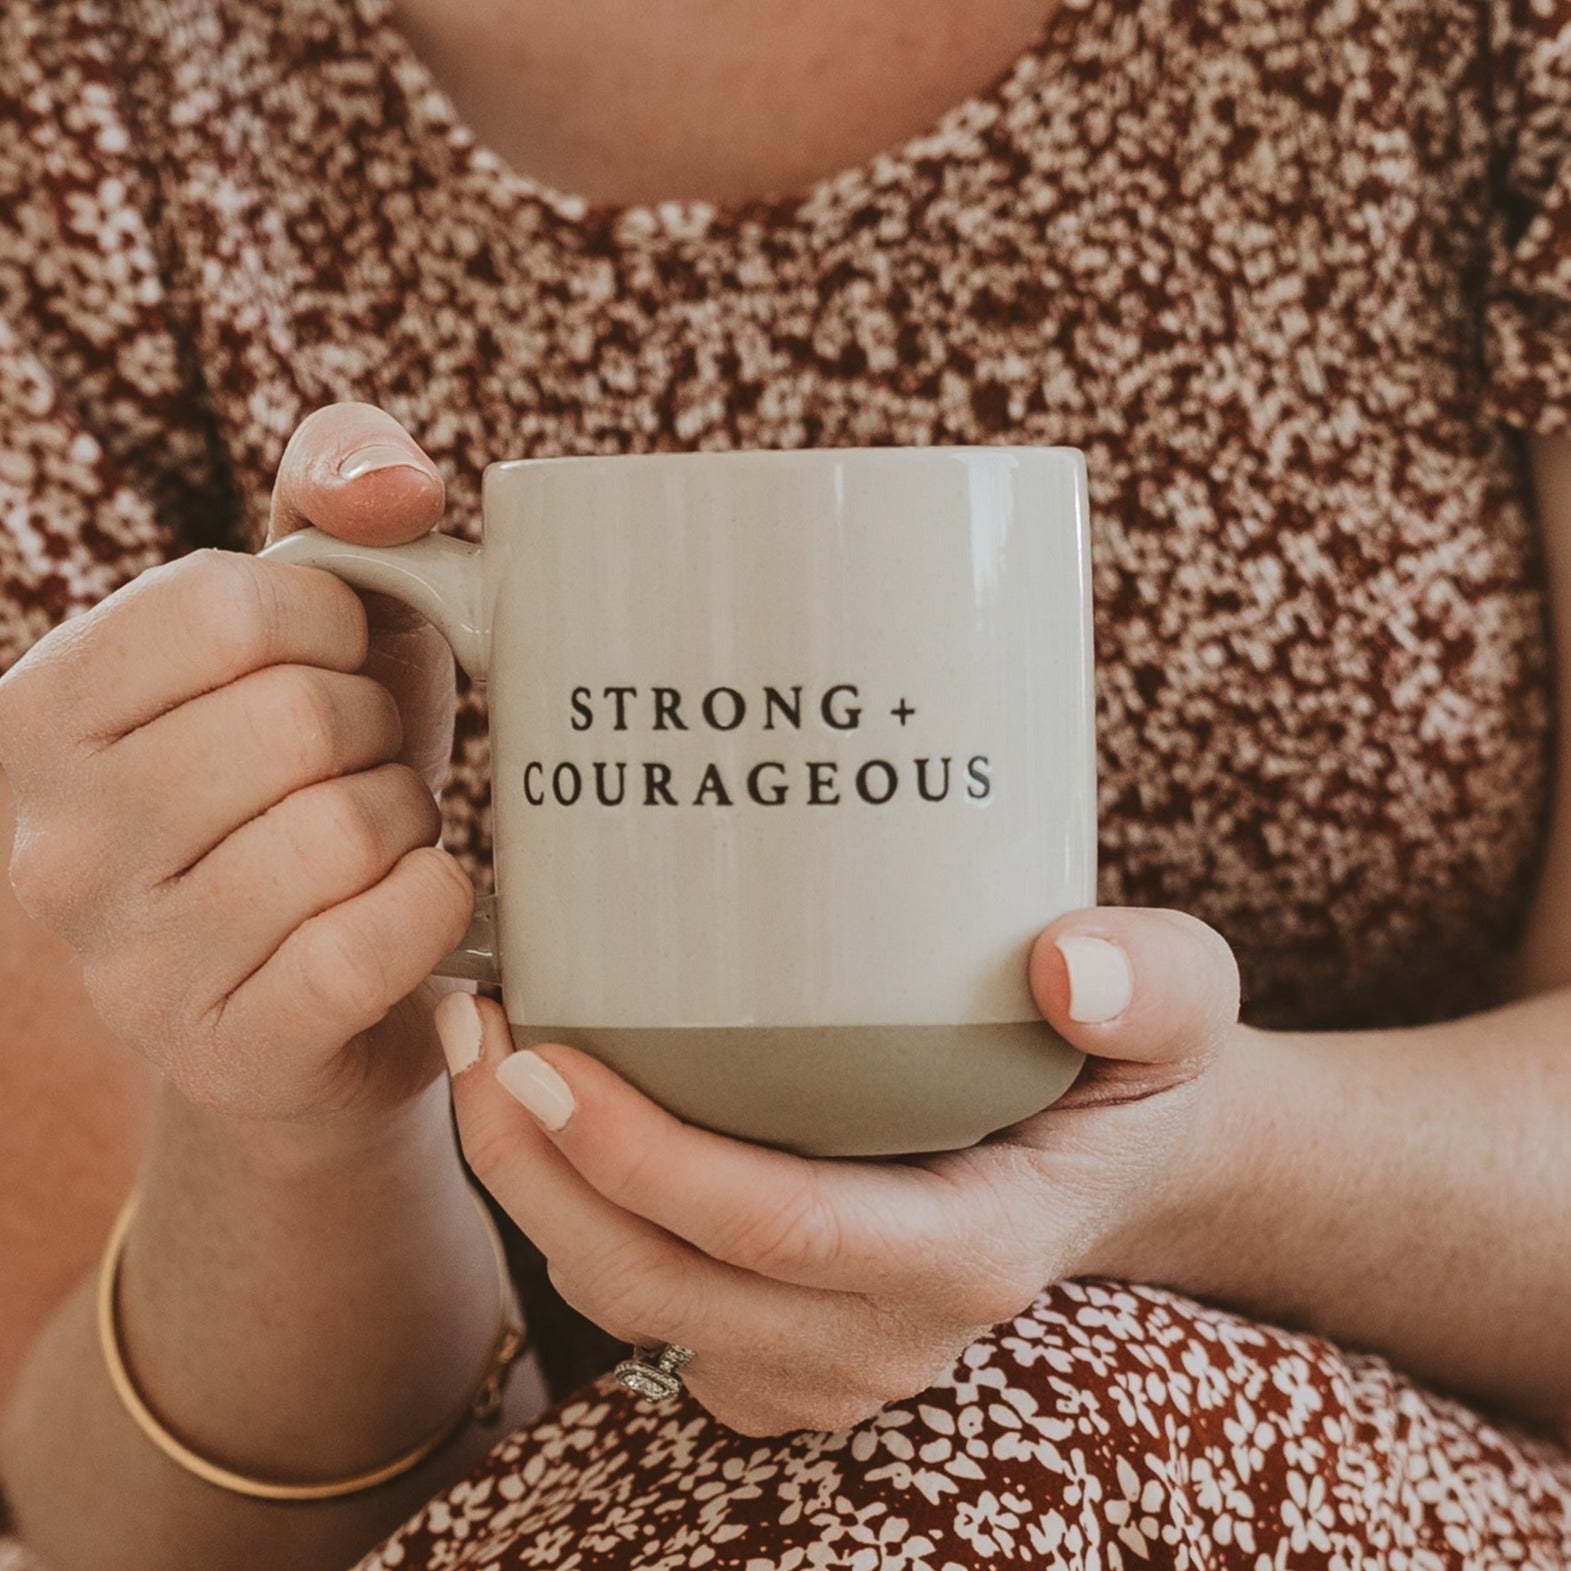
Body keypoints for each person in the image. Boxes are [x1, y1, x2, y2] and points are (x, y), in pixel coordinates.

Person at [4, 0, 1571, 1565]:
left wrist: (1190, 1163)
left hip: (1412, 1467)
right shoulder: (90, 85)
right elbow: (110, 1528)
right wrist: (302, 1121)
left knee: (1001, 1463)